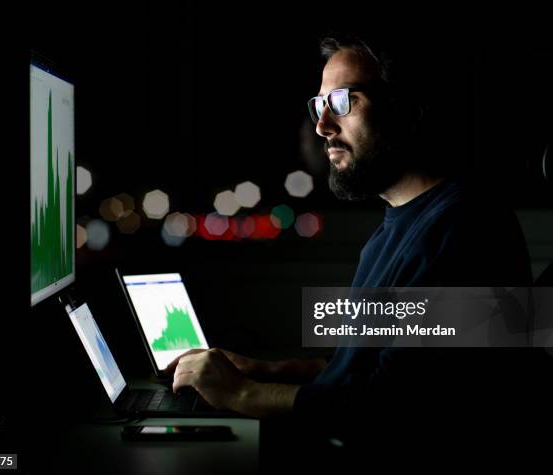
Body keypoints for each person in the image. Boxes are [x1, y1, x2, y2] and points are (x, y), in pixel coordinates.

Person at [166, 34, 533, 420]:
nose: (323, 125)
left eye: (343, 102)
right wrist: (268, 371)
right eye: (320, 105)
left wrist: (241, 393)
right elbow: (368, 368)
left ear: (405, 108)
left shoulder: (465, 232)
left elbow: (391, 408)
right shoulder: (394, 231)